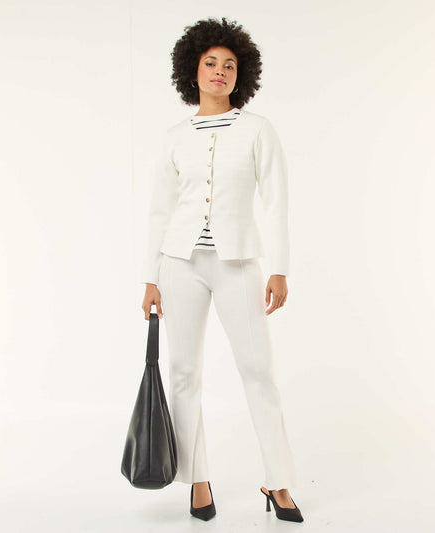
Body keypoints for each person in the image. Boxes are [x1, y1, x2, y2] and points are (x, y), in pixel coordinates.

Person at [140, 17, 303, 523]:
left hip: (238, 264)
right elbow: (159, 211)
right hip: (179, 265)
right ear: (192, 70)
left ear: (241, 74)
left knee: (258, 371)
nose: (219, 71)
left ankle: (278, 481)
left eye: (229, 65)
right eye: (210, 62)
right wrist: (150, 277)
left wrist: (279, 268)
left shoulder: (258, 130)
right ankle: (197, 479)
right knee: (184, 373)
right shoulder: (174, 137)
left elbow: (276, 202)